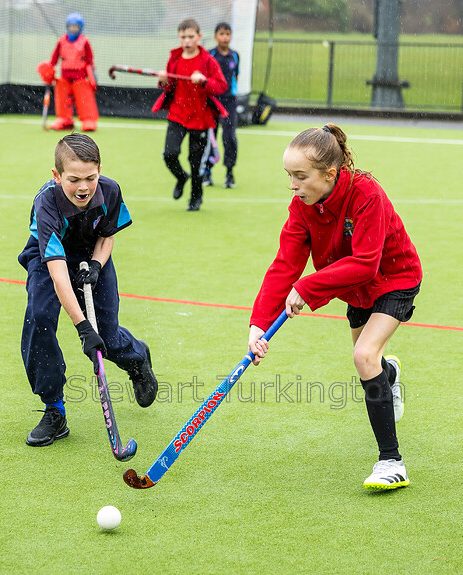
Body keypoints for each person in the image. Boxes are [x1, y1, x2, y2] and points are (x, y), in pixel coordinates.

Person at [248, 124, 422, 491]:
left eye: (300, 176)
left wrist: (308, 287)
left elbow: (367, 263)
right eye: (289, 176)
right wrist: (259, 324)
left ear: (329, 174)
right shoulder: (302, 207)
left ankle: (392, 462)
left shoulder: (366, 194)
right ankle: (387, 374)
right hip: (353, 291)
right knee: (372, 362)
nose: (292, 186)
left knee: (363, 356)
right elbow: (284, 264)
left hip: (394, 279)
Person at [18, 133, 158, 447]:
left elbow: (107, 234)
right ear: (56, 176)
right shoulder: (46, 204)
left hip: (92, 253)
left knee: (106, 337)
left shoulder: (109, 190)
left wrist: (96, 264)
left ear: (99, 170)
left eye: (90, 178)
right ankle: (54, 409)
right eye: (74, 179)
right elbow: (57, 273)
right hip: (49, 259)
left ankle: (136, 357)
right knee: (39, 318)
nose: (83, 187)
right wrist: (82, 327)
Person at [153, 18, 228, 211]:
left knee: (196, 163)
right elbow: (169, 85)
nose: (187, 41)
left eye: (191, 36)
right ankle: (180, 177)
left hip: (200, 119)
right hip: (177, 115)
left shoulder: (208, 61)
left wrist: (204, 81)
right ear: (179, 37)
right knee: (170, 154)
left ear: (199, 37)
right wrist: (163, 81)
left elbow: (221, 85)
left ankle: (196, 198)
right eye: (183, 37)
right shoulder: (175, 58)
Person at [43, 12, 99, 132]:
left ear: (80, 28)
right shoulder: (61, 41)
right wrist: (49, 71)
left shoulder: (84, 42)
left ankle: (88, 120)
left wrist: (92, 75)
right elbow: (54, 58)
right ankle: (64, 119)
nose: (73, 29)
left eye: (76, 26)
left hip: (80, 78)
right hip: (65, 77)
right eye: (71, 26)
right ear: (67, 26)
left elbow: (89, 60)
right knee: (63, 99)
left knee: (84, 99)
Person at [202, 22, 240, 189]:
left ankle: (229, 173)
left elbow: (235, 77)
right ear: (216, 36)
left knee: (229, 137)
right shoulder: (210, 54)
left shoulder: (235, 56)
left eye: (228, 34)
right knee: (210, 137)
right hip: (212, 101)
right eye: (222, 34)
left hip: (229, 102)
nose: (225, 37)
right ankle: (207, 172)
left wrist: (230, 93)